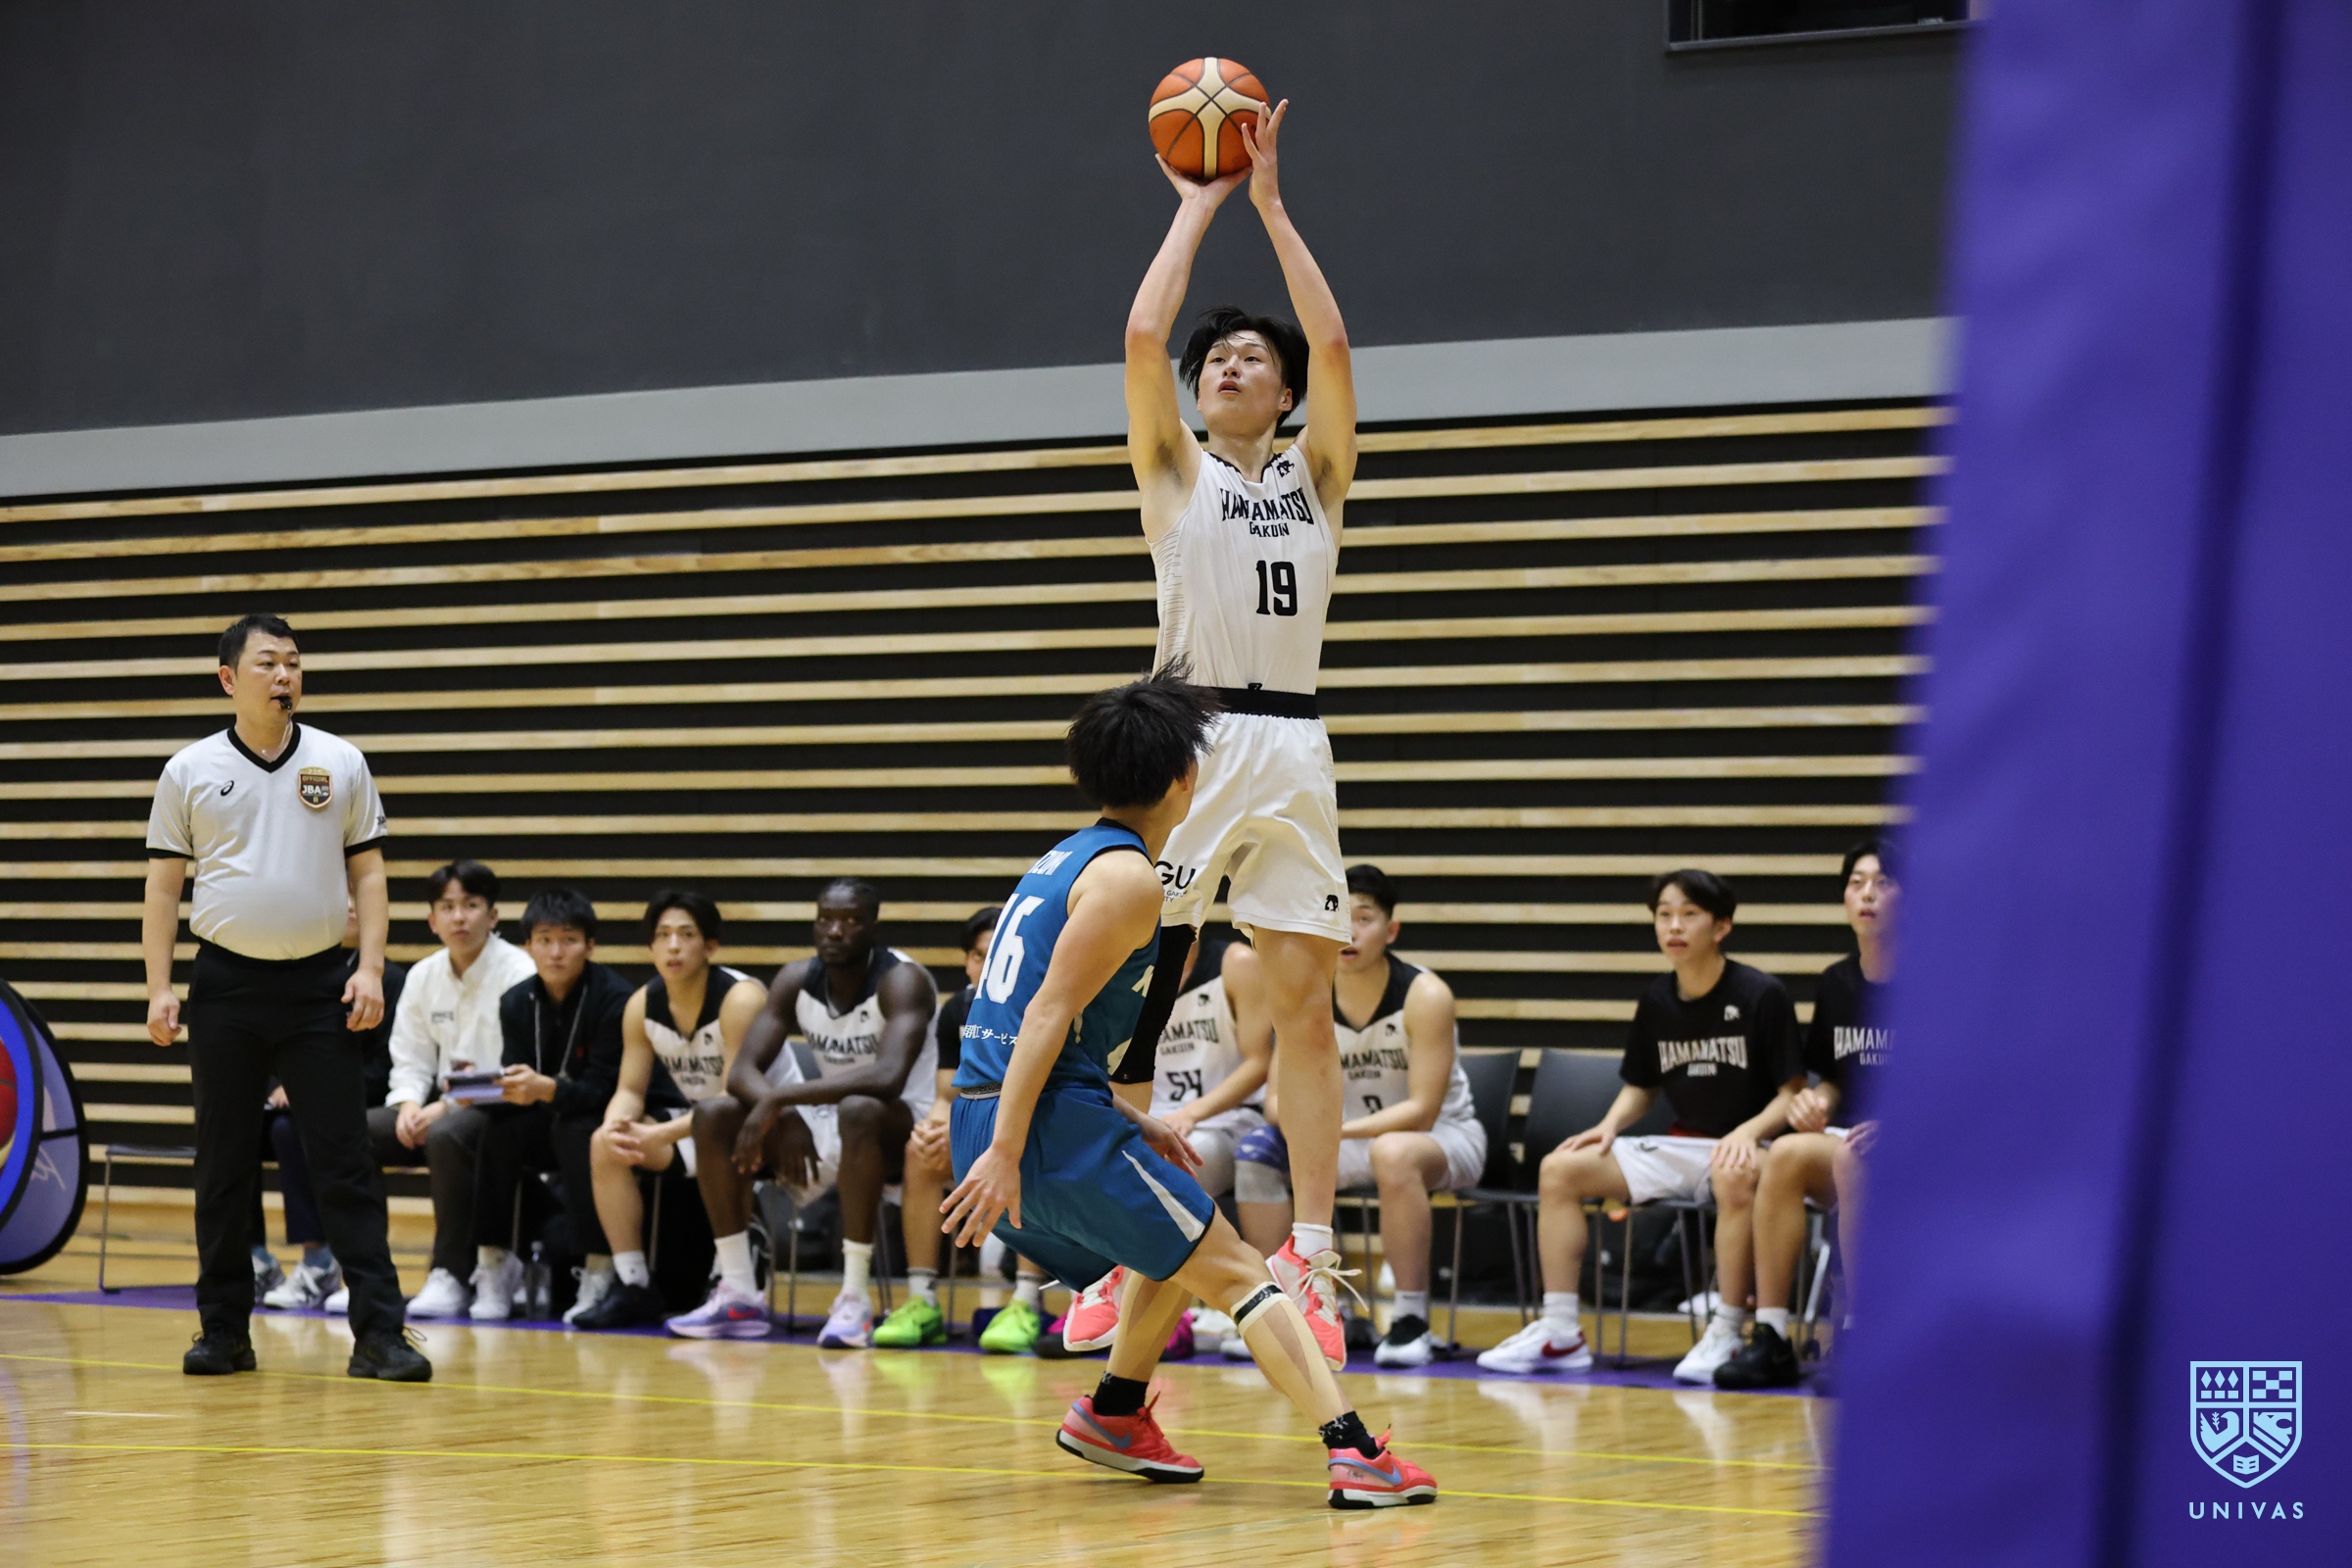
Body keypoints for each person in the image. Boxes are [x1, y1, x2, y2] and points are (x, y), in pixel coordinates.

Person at [943, 667, 1435, 1508]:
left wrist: (1121, 1119)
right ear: (1185, 777)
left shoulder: (1065, 858)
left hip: (1008, 1112)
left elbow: (1027, 1016)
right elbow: (1047, 1015)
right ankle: (1356, 1456)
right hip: (1037, 1128)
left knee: (1175, 1238)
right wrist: (1008, 1150)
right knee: (1239, 1269)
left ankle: (1115, 1413)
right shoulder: (1130, 880)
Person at [1113, 92, 1360, 1371]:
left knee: (1305, 1007)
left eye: (1253, 360)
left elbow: (1336, 339)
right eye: (1219, 362)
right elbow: (1145, 333)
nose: (1228, 367)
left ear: (1286, 391)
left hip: (1295, 746)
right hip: (1194, 742)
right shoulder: (1175, 471)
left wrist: (1271, 205)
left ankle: (1310, 1253)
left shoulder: (1318, 475)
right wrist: (1200, 206)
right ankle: (1122, 1246)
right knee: (1140, 997)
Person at [142, 612, 427, 1381]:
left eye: (293, 662)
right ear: (228, 679)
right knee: (223, 1164)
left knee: (343, 1160)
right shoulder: (189, 769)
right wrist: (160, 986)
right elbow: (164, 888)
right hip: (226, 986)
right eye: (268, 662)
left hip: (318, 987)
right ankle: (223, 1331)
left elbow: (369, 873)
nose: (284, 675)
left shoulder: (340, 760)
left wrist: (370, 968)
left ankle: (380, 1334)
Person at [1478, 869, 1805, 1384]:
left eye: (1689, 915)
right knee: (1560, 1169)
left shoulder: (1762, 994)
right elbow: (1641, 1085)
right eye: (1664, 915)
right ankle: (1561, 1332)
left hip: (1756, 1148)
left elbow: (1793, 1092)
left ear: (1721, 927)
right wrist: (1609, 1126)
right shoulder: (1657, 1000)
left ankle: (1727, 1328)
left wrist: (1746, 1132)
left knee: (1733, 1172)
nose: (1674, 926)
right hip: (1683, 1147)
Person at [1234, 864, 1486, 1368]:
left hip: (1441, 1139)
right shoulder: (1305, 994)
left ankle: (1410, 1318)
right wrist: (1324, 1135)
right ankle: (1297, 1308)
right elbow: (1276, 1102)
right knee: (1256, 1152)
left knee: (1393, 1152)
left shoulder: (1426, 995)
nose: (1349, 931)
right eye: (1338, 915)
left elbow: (1422, 1111)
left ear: (1391, 931)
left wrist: (1330, 1132)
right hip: (1346, 1141)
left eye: (1364, 918)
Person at [668, 880, 940, 1345]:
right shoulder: (797, 979)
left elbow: (888, 1077)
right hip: (826, 1118)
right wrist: (786, 1113)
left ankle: (854, 1297)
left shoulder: (903, 980)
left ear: (873, 929)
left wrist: (783, 1100)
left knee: (859, 1109)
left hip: (902, 1128)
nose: (835, 931)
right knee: (713, 1114)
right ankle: (738, 1291)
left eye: (850, 921)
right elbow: (742, 1071)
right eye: (825, 920)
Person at [1717, 841, 1898, 1391]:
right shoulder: (1837, 982)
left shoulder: (1940, 981)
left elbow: (1964, 1081)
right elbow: (1834, 1076)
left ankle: (1864, 1336)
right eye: (1856, 883)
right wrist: (1816, 1102)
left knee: (1851, 1158)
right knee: (1786, 1153)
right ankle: (1772, 1335)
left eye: (1883, 882)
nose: (1867, 894)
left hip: (1925, 1142)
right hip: (1852, 1138)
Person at [1054, 930, 1270, 1354]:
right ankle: (1098, 1285)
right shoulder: (1120, 966)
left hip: (1225, 1119)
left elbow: (1259, 1063)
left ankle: (1140, 1294)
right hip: (1148, 1117)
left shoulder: (1236, 964)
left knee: (1166, 1167)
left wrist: (1192, 1113)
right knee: (1077, 1154)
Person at [568, 891, 763, 1331]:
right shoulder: (641, 1005)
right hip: (701, 1127)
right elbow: (630, 1089)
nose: (673, 946)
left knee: (714, 1128)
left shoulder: (740, 998)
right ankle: (633, 1284)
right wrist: (617, 1123)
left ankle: (732, 1279)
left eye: (686, 935)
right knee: (605, 1145)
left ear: (710, 946)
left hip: (762, 1127)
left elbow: (734, 1101)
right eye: (663, 935)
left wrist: (659, 1134)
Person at [368, 858, 534, 1318]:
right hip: (435, 1105)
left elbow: (511, 1066)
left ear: (493, 915)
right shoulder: (423, 976)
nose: (459, 917)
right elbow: (410, 1057)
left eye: (471, 905)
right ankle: (366, 1271)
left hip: (500, 1105)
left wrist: (441, 1107)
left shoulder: (518, 971)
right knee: (358, 1132)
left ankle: (451, 1273)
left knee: (446, 1135)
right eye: (447, 907)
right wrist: (406, 1104)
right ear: (432, 920)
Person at [890, 906, 1054, 1352]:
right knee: (920, 1152)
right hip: (976, 1128)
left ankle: (1026, 1302)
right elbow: (947, 1094)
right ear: (967, 962)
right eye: (981, 956)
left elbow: (1045, 1094)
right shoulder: (957, 1010)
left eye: (1000, 955)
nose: (989, 966)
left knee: (1027, 1145)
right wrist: (936, 1126)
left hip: (1030, 1128)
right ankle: (922, 1302)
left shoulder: (1042, 1008)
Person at [470, 888, 631, 1320]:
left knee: (577, 1130)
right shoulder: (515, 1001)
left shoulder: (615, 999)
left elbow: (605, 1090)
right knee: (497, 1130)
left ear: (590, 946)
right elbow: (517, 1079)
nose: (556, 952)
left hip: (600, 1120)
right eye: (544, 940)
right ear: (528, 946)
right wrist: (483, 1092)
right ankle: (493, 1261)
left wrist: (548, 1090)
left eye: (569, 940)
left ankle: (599, 1268)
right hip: (544, 1118)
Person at [257, 898, 409, 1312]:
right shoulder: (297, 975)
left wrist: (312, 1088)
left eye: (358, 896)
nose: (349, 906)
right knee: (239, 1128)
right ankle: (252, 1259)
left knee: (290, 1130)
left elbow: (387, 1066)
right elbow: (269, 1047)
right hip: (297, 1098)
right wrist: (280, 1085)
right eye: (339, 893)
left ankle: (319, 1261)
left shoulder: (393, 980)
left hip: (360, 1099)